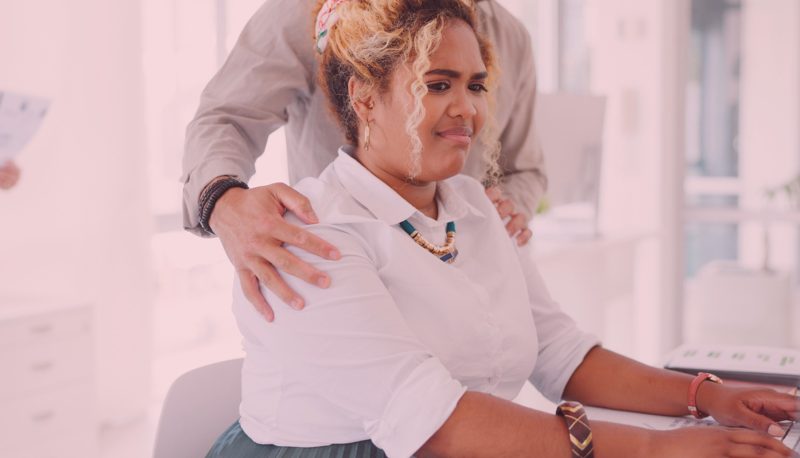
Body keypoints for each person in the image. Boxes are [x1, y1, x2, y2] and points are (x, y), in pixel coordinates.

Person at [206, 1, 799, 457]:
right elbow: (431, 420)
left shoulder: (469, 204)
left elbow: (560, 352)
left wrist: (706, 396)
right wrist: (654, 447)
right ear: (363, 97)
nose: (468, 110)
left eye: (476, 85)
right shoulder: (312, 235)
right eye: (437, 85)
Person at [183, 0, 545, 321]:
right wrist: (223, 200)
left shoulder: (511, 36)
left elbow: (525, 169)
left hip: (464, 300)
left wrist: (505, 212)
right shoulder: (302, 11)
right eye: (436, 85)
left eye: (475, 87)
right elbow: (227, 118)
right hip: (343, 285)